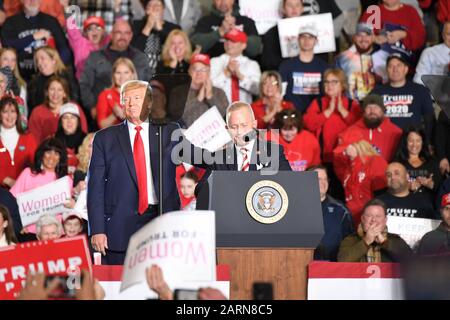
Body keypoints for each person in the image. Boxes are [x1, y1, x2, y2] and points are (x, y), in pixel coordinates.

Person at [80, 19, 151, 121]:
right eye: (118, 32)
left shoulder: (140, 58)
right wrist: (91, 106)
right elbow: (84, 84)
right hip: (103, 114)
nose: (122, 37)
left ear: (131, 36)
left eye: (126, 33)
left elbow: (149, 85)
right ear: (111, 35)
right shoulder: (96, 57)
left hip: (135, 115)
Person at [10, 138, 73, 237]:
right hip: (29, 232)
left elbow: (70, 211)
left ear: (61, 158)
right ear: (42, 154)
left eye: (56, 154)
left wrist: (72, 206)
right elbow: (11, 202)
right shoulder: (28, 173)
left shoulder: (66, 181)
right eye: (48, 152)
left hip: (56, 234)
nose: (51, 157)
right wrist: (18, 224)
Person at [371, 52, 435, 146]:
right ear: (387, 70)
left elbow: (429, 119)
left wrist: (428, 142)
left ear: (406, 69)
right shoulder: (376, 92)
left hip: (413, 144)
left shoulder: (420, 90)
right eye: (391, 66)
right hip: (384, 142)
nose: (395, 69)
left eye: (398, 65)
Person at [1, 0, 72, 81]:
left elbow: (64, 49)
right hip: (19, 76)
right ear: (22, 1)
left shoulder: (51, 21)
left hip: (48, 76)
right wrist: (33, 37)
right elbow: (6, 46)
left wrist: (55, 66)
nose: (32, 1)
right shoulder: (11, 22)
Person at [304, 68, 361, 164]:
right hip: (322, 158)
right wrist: (328, 111)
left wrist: (343, 111)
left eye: (334, 82)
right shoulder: (318, 103)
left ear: (342, 85)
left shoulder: (352, 104)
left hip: (346, 158)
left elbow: (360, 128)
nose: (329, 85)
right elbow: (308, 124)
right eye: (326, 82)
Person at [337, 199, 412, 262]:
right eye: (369, 216)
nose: (373, 220)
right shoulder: (350, 240)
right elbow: (342, 261)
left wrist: (385, 243)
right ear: (362, 219)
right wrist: (366, 242)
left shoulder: (395, 240)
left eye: (378, 216)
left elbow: (410, 261)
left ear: (385, 220)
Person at [333, 140, 388, 226]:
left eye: (346, 146)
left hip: (369, 217)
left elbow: (382, 192)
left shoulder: (374, 162)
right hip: (352, 216)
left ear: (356, 145)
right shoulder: (349, 168)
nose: (344, 151)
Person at [334, 94, 402, 163]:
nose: (372, 111)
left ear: (383, 111)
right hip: (358, 173)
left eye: (376, 107)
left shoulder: (396, 132)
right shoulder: (350, 132)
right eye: (368, 107)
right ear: (363, 111)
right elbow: (339, 160)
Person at [279, 24, 330, 113]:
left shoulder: (324, 67)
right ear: (298, 40)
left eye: (310, 37)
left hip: (317, 113)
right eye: (303, 37)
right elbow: (280, 93)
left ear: (316, 41)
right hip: (292, 115)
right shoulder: (286, 66)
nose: (306, 41)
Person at [309, 165, 354, 261]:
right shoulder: (296, 208)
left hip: (332, 267)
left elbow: (350, 241)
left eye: (325, 179)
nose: (323, 183)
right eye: (318, 179)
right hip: (302, 265)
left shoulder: (341, 210)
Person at [191, 0, 262, 59]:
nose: (223, 2)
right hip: (212, 68)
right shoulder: (205, 21)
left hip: (242, 67)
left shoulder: (246, 21)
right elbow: (195, 45)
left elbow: (256, 48)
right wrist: (220, 32)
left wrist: (236, 34)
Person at [28, 77, 88, 144]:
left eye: (59, 90)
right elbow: (33, 140)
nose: (55, 93)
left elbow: (84, 133)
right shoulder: (37, 112)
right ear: (47, 92)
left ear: (65, 93)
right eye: (52, 89)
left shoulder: (74, 108)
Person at [210, 29, 261, 104]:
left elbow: (258, 90)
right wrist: (226, 73)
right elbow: (209, 88)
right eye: (227, 40)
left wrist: (240, 76)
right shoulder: (215, 61)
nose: (229, 44)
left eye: (233, 41)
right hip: (219, 110)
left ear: (243, 45)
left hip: (244, 112)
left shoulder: (251, 64)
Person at [394, 126, 441, 207]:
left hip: (427, 210)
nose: (414, 144)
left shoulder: (432, 162)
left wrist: (430, 184)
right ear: (405, 142)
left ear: (423, 142)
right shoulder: (397, 163)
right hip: (403, 208)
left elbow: (441, 188)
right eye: (411, 140)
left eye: (418, 140)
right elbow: (391, 187)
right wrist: (407, 186)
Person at [131, 0, 180, 75]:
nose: (154, 7)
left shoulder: (173, 28)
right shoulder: (136, 25)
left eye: (157, 5)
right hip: (139, 71)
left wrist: (160, 29)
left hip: (165, 71)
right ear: (146, 10)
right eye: (150, 5)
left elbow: (175, 49)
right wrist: (148, 27)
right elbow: (134, 51)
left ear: (163, 8)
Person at [27, 46, 80, 114]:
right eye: (37, 60)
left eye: (42, 58)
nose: (39, 63)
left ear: (53, 60)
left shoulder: (67, 77)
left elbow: (75, 99)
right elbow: (32, 107)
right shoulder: (34, 82)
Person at [181, 53, 229, 128]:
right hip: (186, 136)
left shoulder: (219, 92)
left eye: (203, 69)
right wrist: (198, 99)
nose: (199, 73)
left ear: (209, 72)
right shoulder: (179, 92)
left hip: (215, 136)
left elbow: (225, 115)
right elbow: (179, 116)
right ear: (189, 71)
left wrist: (210, 96)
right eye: (195, 69)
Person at [359, 0, 426, 53]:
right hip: (376, 60)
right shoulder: (371, 12)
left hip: (405, 62)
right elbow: (359, 39)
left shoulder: (410, 11)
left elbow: (421, 38)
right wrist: (374, 39)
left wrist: (404, 34)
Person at [0, 96, 37, 189]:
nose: (9, 116)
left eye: (13, 111)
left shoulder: (28, 138)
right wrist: (6, 180)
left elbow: (36, 163)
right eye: (5, 112)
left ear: (17, 114)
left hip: (25, 191)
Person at [335, 22, 378, 101]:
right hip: (350, 106)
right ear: (354, 38)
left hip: (375, 107)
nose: (363, 39)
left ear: (373, 37)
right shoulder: (342, 58)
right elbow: (336, 85)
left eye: (367, 35)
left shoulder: (382, 56)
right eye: (359, 35)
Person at [261, 0, 305, 71]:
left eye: (297, 5)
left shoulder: (312, 31)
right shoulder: (272, 33)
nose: (294, 8)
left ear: (302, 8)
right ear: (283, 9)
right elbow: (267, 62)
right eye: (290, 5)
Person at [96, 58, 137, 129]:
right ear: (113, 75)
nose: (122, 77)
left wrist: (126, 116)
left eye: (126, 72)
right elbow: (101, 125)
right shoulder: (105, 95)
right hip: (112, 138)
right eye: (118, 73)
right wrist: (114, 115)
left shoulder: (141, 94)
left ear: (132, 75)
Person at [66, 15, 111, 80]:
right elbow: (72, 30)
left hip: (104, 84)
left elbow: (120, 31)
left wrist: (118, 11)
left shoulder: (109, 43)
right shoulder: (80, 43)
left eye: (98, 28)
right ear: (86, 33)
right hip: (83, 84)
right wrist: (67, 10)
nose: (94, 31)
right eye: (90, 29)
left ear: (103, 32)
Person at [54, 103, 87, 176]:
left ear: (78, 121)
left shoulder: (88, 141)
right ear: (61, 121)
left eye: (73, 117)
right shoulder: (53, 141)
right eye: (65, 117)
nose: (69, 121)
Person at [414, 21, 450, 86]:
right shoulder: (429, 53)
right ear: (443, 35)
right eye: (449, 34)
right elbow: (419, 79)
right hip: (435, 93)